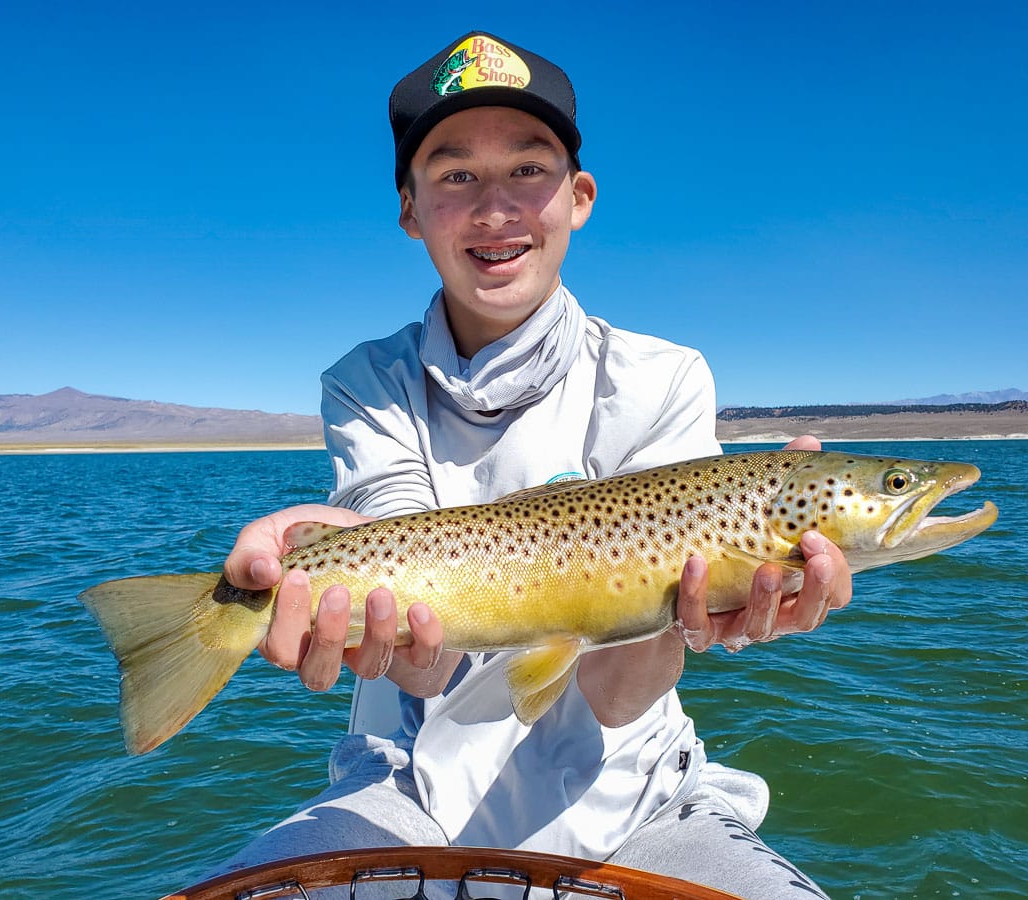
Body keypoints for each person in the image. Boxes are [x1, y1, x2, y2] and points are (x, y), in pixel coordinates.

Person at [214, 31, 851, 898]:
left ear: (578, 197)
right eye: (454, 175)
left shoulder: (665, 378)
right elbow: (426, 661)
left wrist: (691, 616)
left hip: (636, 798)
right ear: (409, 210)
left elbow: (617, 695)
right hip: (402, 785)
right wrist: (330, 576)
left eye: (527, 170)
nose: (495, 207)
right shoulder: (365, 384)